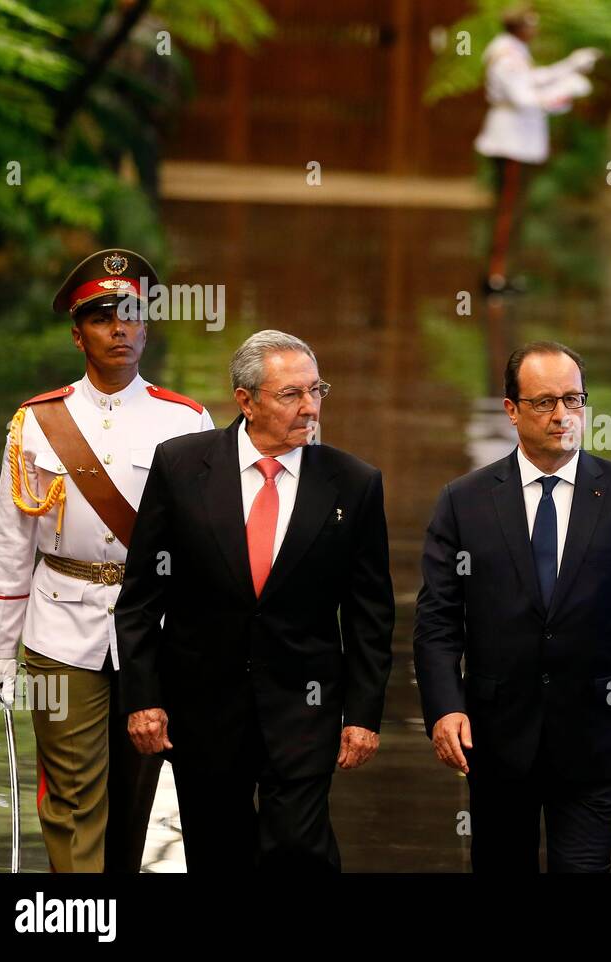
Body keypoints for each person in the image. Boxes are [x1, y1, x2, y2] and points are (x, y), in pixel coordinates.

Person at [114, 330, 394, 871]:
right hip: (203, 709)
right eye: (291, 394)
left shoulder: (353, 483)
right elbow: (142, 596)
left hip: (304, 707)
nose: (310, 407)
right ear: (245, 400)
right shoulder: (180, 466)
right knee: (217, 851)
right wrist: (142, 698)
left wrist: (363, 714)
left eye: (316, 391)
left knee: (299, 849)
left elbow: (370, 613)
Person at [0, 248, 214, 872]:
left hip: (156, 632)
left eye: (133, 314)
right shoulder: (37, 422)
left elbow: (208, 548)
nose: (121, 328)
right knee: (74, 797)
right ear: (77, 331)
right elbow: (11, 543)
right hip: (62, 625)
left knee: (136, 798)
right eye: (104, 316)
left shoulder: (186, 422)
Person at [414, 340, 611, 872]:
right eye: (544, 402)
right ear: (511, 410)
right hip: (495, 739)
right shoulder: (465, 501)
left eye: (574, 400)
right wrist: (446, 706)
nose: (563, 416)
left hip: (594, 739)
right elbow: (439, 620)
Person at [474, 6, 600, 293]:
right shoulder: (506, 56)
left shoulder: (514, 50)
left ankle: (505, 271)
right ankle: (496, 274)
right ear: (516, 27)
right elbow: (524, 97)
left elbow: (533, 78)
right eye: (531, 26)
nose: (535, 31)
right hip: (511, 139)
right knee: (508, 208)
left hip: (520, 138)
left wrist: (570, 65)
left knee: (515, 208)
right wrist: (566, 91)